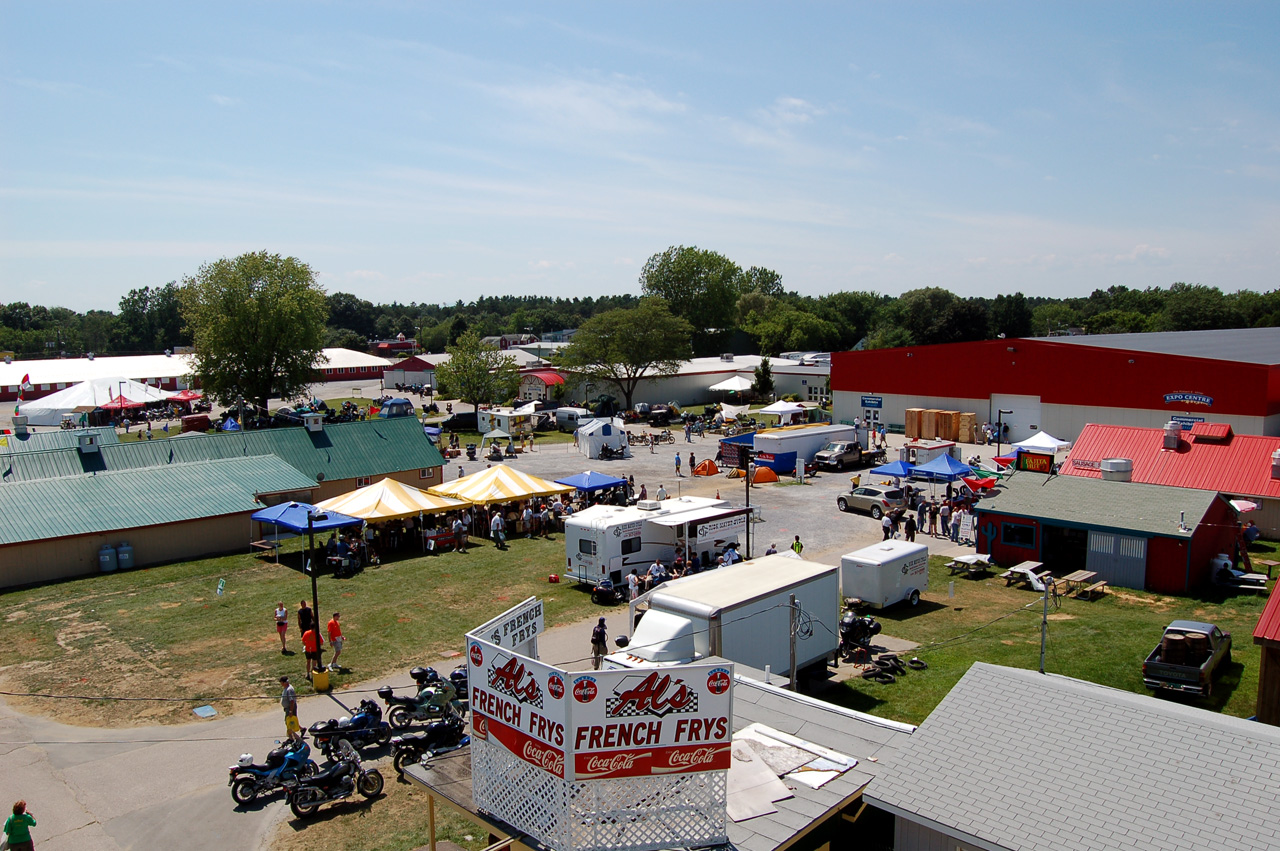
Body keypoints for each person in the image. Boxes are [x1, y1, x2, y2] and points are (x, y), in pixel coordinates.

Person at [280, 675, 301, 742]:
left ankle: (292, 737)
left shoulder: (289, 689)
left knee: (289, 722)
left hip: (290, 708)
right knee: (291, 722)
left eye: (281, 682)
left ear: (284, 682)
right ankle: (301, 729)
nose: (281, 684)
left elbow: (292, 701)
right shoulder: (286, 688)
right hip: (288, 708)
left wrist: (291, 711)